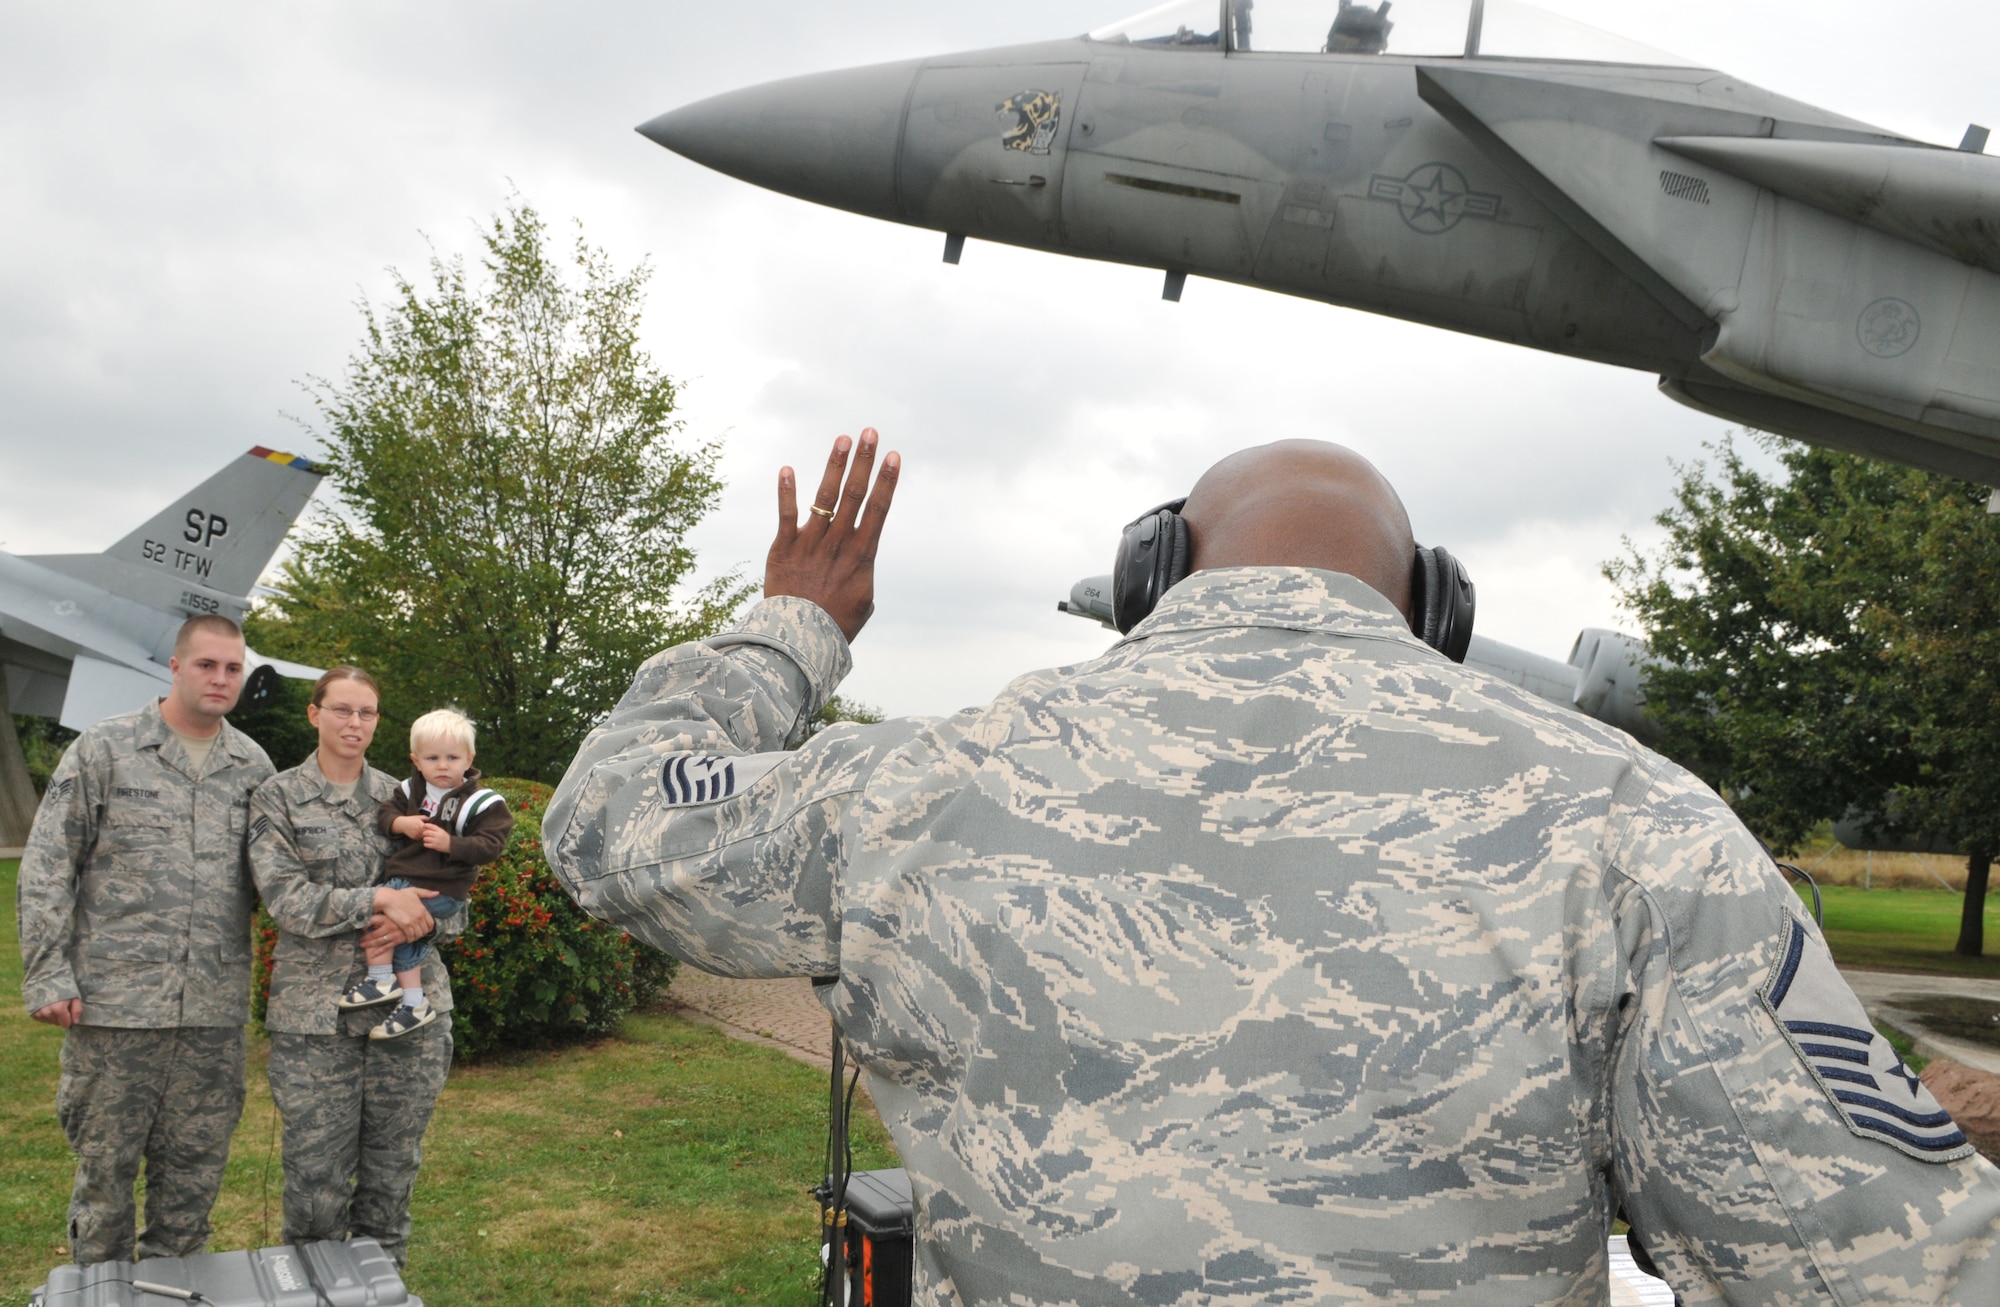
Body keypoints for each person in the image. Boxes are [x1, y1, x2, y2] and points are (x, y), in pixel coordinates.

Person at [544, 432, 2000, 1303]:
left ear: (1151, 566)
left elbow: (608, 820)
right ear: (1433, 602)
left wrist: (792, 623)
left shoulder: (914, 784)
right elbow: (1893, 1269)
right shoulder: (1642, 824)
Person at [16, 615, 275, 1265]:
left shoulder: (253, 766)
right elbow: (49, 863)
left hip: (211, 1015)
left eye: (233, 668)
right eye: (207, 665)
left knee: (191, 1187)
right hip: (114, 1010)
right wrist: (48, 973)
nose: (220, 678)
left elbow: (280, 880)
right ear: (176, 666)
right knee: (104, 1183)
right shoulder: (106, 748)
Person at [248, 668, 461, 1268]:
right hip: (316, 1023)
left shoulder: (412, 797)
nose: (355, 724)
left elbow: (455, 899)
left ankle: (380, 1288)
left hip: (409, 1017)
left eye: (366, 713)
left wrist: (414, 917)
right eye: (342, 710)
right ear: (315, 714)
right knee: (315, 1187)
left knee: (391, 1181)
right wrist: (377, 900)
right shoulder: (278, 797)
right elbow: (287, 901)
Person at [338, 708, 511, 1041]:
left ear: (469, 758)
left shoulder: (481, 802)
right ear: (416, 761)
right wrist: (401, 823)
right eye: (432, 758)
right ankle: (399, 992)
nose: (443, 765)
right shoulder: (409, 791)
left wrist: (452, 844)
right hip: (403, 882)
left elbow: (492, 845)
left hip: (443, 889)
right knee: (387, 927)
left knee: (389, 927)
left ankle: (393, 988)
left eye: (452, 757)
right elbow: (385, 813)